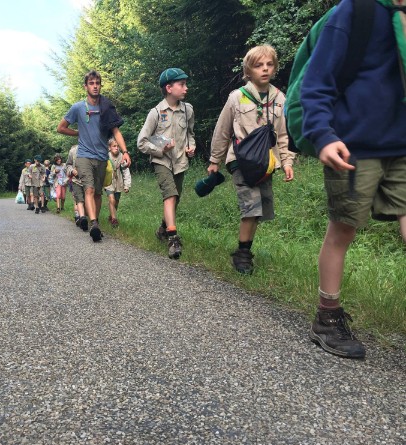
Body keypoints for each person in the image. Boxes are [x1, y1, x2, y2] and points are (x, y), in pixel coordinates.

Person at [300, 0, 406, 359]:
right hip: (354, 146)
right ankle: (327, 317)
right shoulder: (356, 11)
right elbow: (317, 81)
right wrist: (323, 135)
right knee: (343, 228)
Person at [208, 46, 295, 273]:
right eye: (258, 65)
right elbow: (223, 130)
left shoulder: (280, 99)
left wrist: (287, 162)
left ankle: (243, 249)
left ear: (274, 68)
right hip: (240, 161)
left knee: (259, 211)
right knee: (251, 208)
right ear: (248, 70)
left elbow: (284, 134)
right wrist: (214, 160)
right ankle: (243, 256)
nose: (264, 69)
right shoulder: (237, 97)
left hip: (266, 163)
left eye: (269, 65)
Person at [57, 70, 131, 242]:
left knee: (98, 193)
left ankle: (94, 224)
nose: (95, 86)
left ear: (100, 85)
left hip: (102, 157)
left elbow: (116, 131)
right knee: (89, 189)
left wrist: (125, 152)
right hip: (83, 156)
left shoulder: (106, 107)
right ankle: (94, 223)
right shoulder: (78, 108)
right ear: (85, 86)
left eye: (97, 83)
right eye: (91, 83)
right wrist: (78, 133)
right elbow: (60, 128)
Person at [137, 67, 196, 259]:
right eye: (182, 84)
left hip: (180, 161)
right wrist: (160, 150)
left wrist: (191, 147)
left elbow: (190, 134)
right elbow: (142, 142)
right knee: (170, 196)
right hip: (161, 161)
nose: (186, 88)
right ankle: (173, 239)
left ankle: (162, 229)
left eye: (185, 83)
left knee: (175, 198)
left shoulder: (188, 110)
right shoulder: (155, 113)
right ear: (169, 88)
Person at [104, 137, 132, 227]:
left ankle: (111, 216)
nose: (116, 148)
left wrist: (127, 185)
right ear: (109, 147)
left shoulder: (122, 157)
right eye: (114, 146)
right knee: (111, 199)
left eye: (118, 146)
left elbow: (126, 171)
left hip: (118, 182)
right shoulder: (106, 156)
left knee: (116, 201)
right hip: (108, 181)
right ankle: (114, 220)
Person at [65, 144, 88, 230]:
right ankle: (82, 218)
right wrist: (72, 170)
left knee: (87, 200)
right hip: (76, 181)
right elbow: (68, 165)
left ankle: (86, 217)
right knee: (79, 200)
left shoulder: (91, 148)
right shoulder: (73, 151)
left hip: (88, 181)